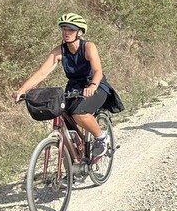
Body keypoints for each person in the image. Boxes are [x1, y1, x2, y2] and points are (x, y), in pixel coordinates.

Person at [14, 13, 120, 161]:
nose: (66, 33)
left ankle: (101, 138)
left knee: (79, 113)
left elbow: (98, 71)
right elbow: (42, 73)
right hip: (74, 88)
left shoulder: (88, 46)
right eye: (64, 29)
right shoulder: (60, 50)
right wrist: (23, 90)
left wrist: (93, 85)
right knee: (62, 119)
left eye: (71, 29)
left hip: (96, 86)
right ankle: (71, 171)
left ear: (79, 32)